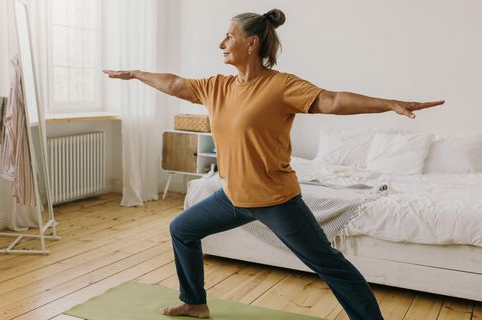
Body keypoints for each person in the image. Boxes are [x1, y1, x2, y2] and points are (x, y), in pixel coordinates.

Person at [103, 8, 444, 320]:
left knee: (329, 265)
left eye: (229, 36)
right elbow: (175, 84)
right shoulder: (216, 87)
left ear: (251, 43)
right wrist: (135, 73)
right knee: (182, 230)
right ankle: (194, 302)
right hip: (232, 196)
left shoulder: (281, 86)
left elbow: (333, 100)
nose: (221, 42)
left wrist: (389, 103)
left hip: (275, 200)